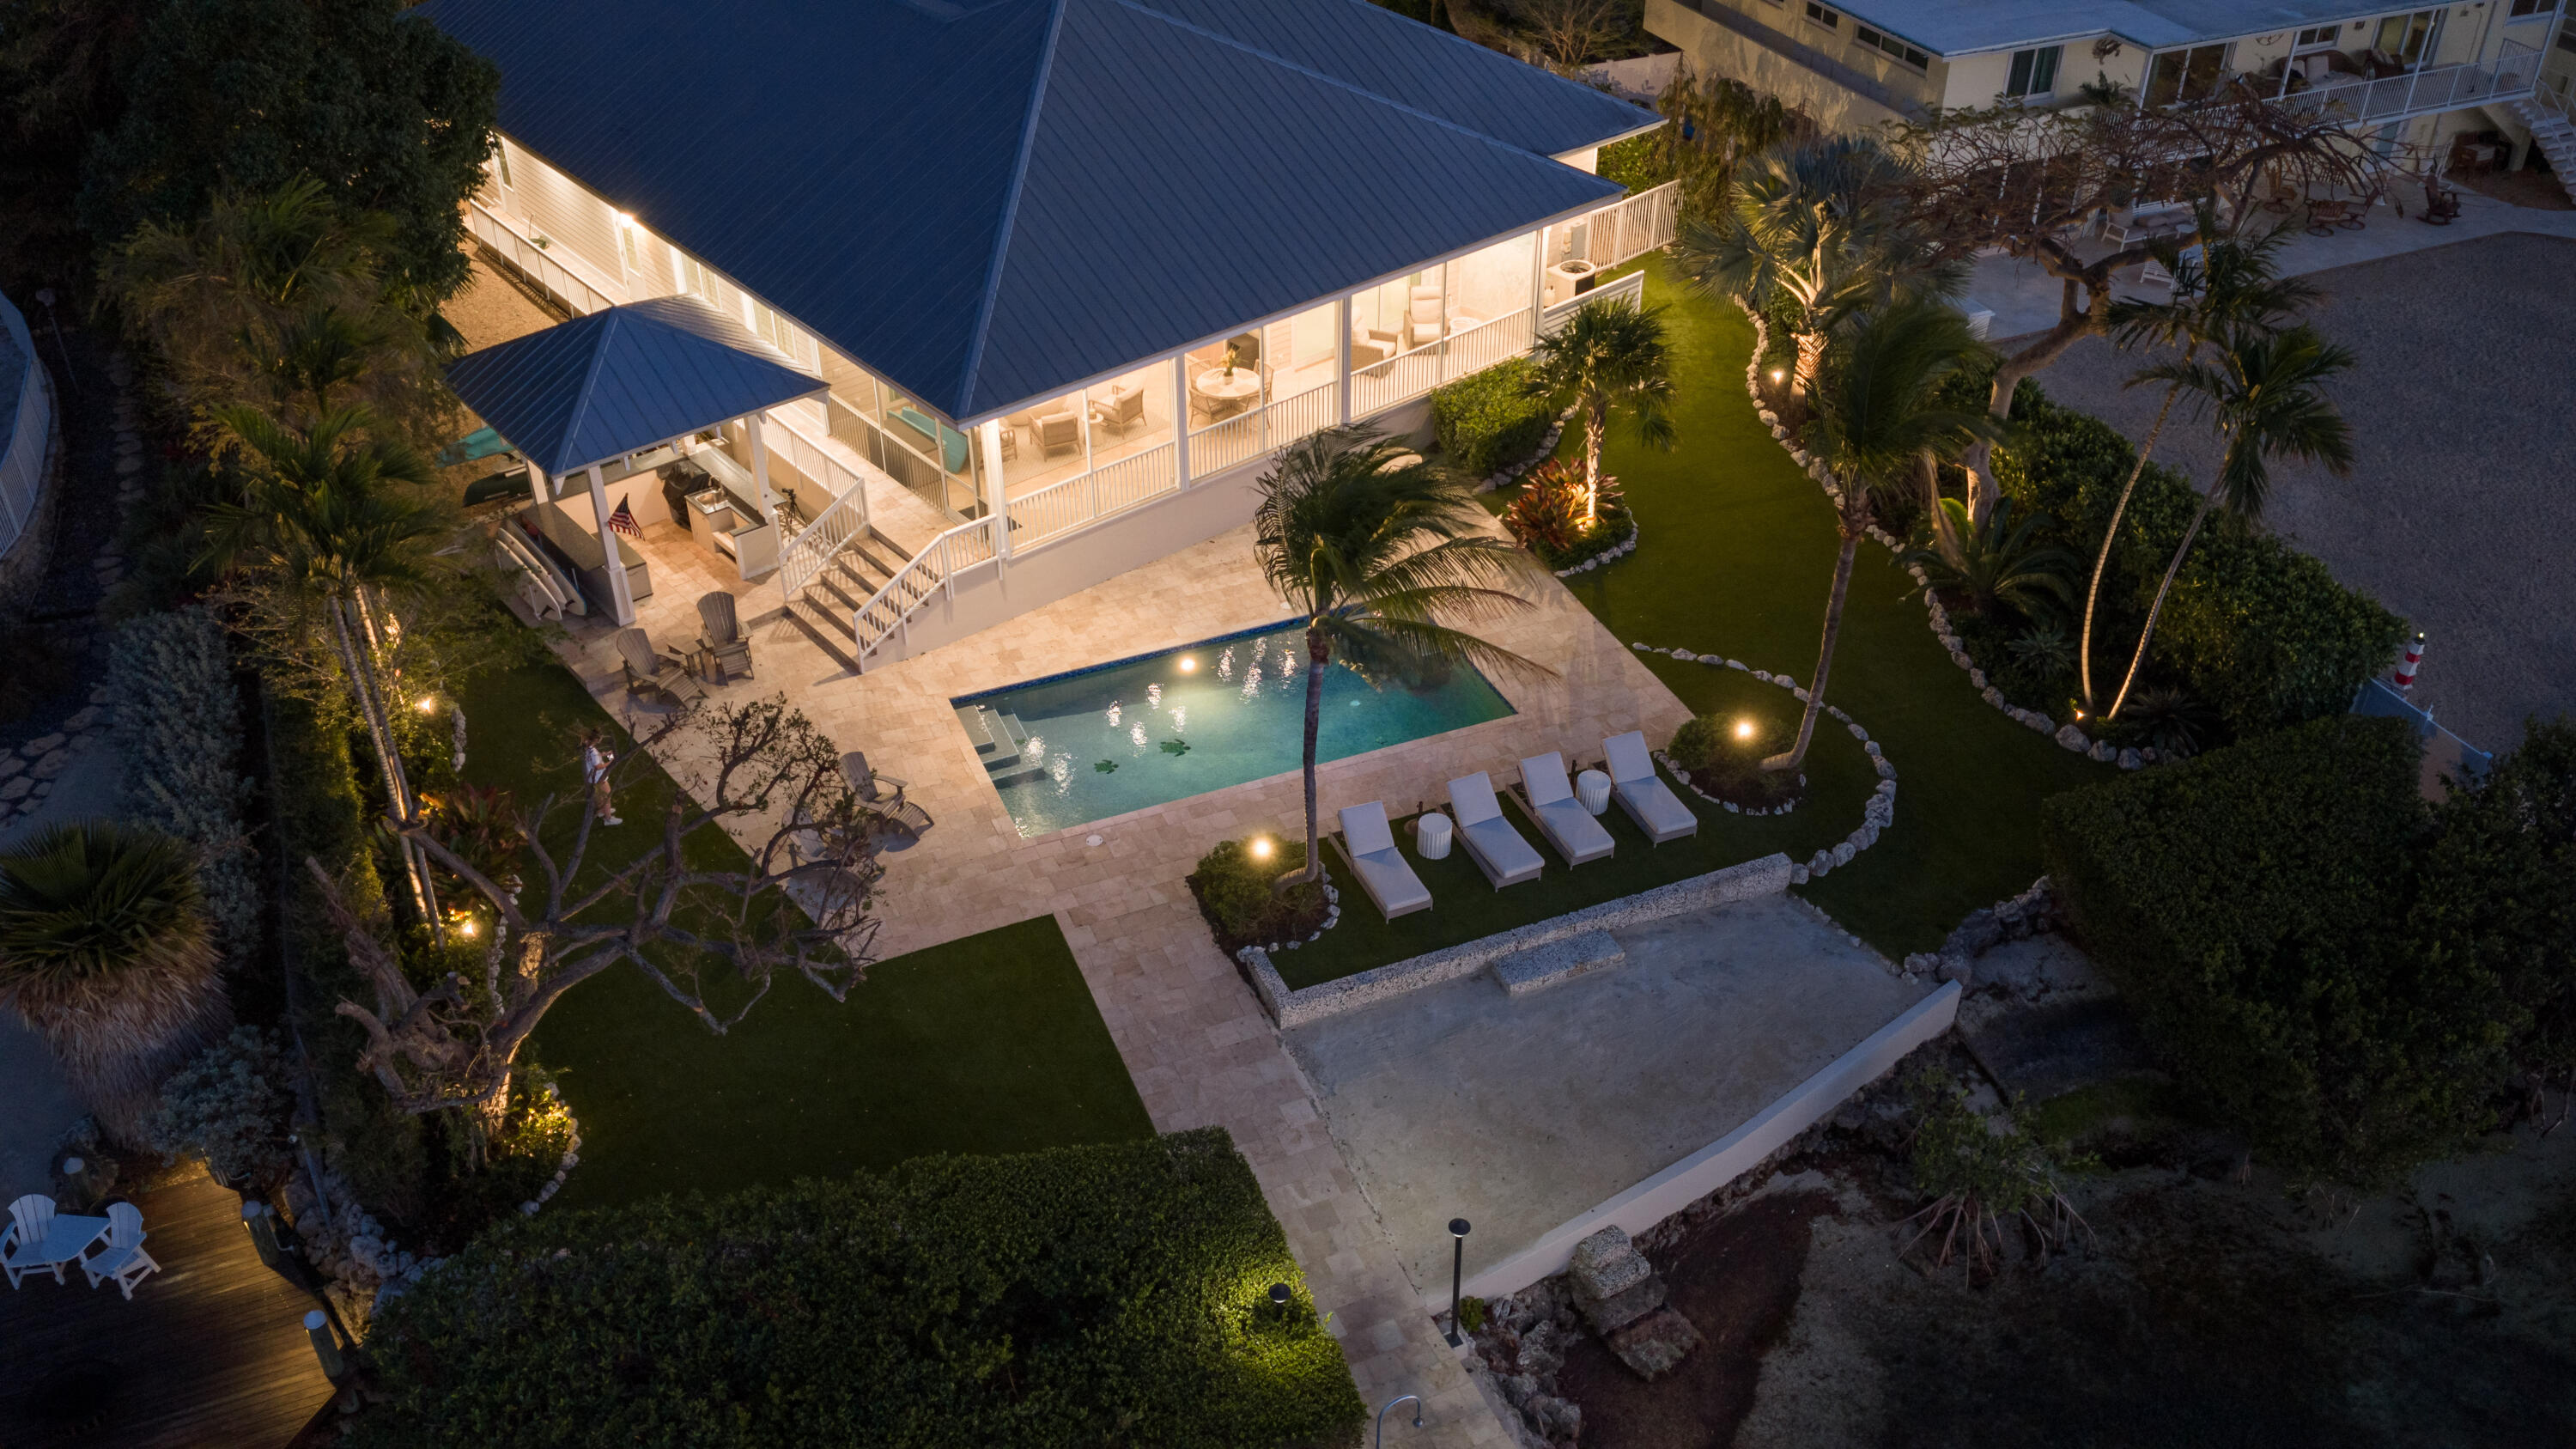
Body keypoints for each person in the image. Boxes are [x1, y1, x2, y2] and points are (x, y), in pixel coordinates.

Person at [580, 728, 621, 826]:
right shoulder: (593, 752)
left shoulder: (587, 746)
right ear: (597, 739)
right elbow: (598, 766)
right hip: (599, 778)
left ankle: (602, 811)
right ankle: (608, 819)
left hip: (592, 777)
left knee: (600, 796)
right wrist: (611, 761)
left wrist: (603, 754)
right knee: (607, 797)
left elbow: (593, 758)